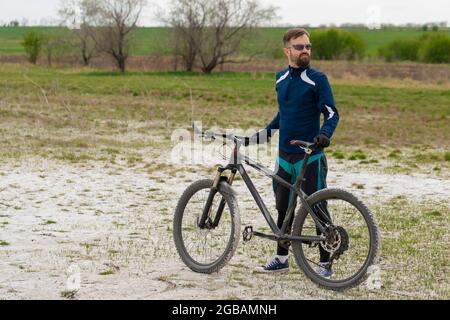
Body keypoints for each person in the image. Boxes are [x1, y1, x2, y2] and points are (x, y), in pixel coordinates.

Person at [247, 28, 339, 277]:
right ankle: (281, 258)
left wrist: (325, 134)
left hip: (310, 156)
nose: (305, 51)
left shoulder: (317, 79)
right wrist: (266, 133)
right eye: (300, 47)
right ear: (287, 50)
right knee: (282, 208)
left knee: (317, 207)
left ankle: (325, 263)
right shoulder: (279, 79)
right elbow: (284, 112)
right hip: (284, 156)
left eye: (308, 46)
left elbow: (331, 112)